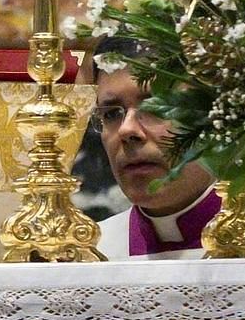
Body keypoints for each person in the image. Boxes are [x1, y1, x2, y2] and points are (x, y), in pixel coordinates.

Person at [89, 65, 220, 258]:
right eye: (111, 114)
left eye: (158, 106)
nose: (126, 130)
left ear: (217, 116)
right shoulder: (91, 256)